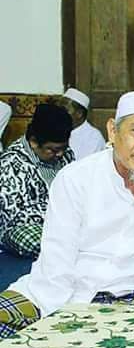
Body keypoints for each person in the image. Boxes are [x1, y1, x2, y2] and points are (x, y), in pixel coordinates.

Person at [0, 91, 134, 338]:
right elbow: (57, 262)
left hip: (132, 292)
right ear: (113, 131)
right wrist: (60, 321)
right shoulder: (75, 178)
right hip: (61, 288)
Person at [0, 104, 74, 259]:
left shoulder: (66, 155)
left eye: (64, 148)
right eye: (53, 150)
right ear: (34, 142)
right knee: (38, 241)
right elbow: (15, 218)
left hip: (67, 222)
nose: (60, 154)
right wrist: (57, 219)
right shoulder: (10, 165)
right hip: (28, 227)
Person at [57, 88, 106, 160]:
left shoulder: (93, 137)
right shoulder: (56, 129)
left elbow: (86, 165)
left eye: (64, 110)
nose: (59, 113)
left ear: (79, 114)